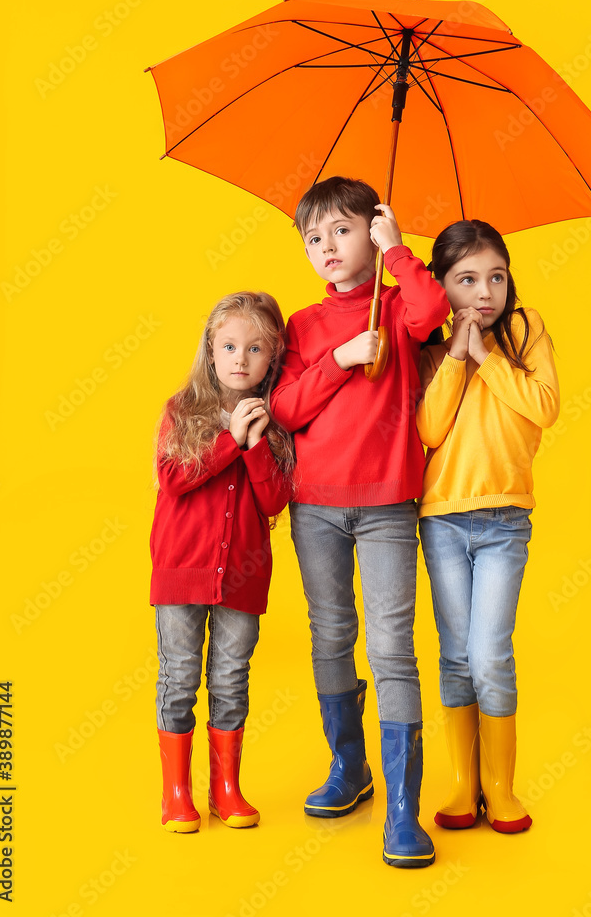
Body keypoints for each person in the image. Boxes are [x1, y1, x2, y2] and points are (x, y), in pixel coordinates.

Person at [271, 176, 449, 867]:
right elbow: (286, 408)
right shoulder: (303, 325)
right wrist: (341, 362)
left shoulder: (402, 304)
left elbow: (434, 306)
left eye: (342, 231)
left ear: (369, 233)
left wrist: (399, 250)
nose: (326, 248)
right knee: (331, 633)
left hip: (385, 506)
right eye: (313, 238)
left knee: (390, 643)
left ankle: (403, 811)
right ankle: (350, 768)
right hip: (313, 502)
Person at [416, 220, 560, 834]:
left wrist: (487, 355)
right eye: (467, 279)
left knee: (489, 653)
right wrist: (455, 355)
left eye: (495, 276)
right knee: (454, 655)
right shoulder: (430, 346)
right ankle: (462, 785)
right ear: (442, 287)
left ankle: (500, 787)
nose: (485, 291)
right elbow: (427, 430)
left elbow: (543, 407)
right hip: (444, 518)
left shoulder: (524, 331)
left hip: (505, 519)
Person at [150, 291, 292, 833]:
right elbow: (173, 477)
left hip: (242, 577)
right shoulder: (181, 409)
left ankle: (226, 789)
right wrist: (230, 440)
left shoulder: (275, 422)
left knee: (231, 679)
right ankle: (177, 793)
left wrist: (255, 445)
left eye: (254, 349)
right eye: (229, 346)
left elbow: (276, 500)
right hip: (181, 571)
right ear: (211, 351)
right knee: (180, 677)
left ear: (271, 358)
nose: (240, 358)